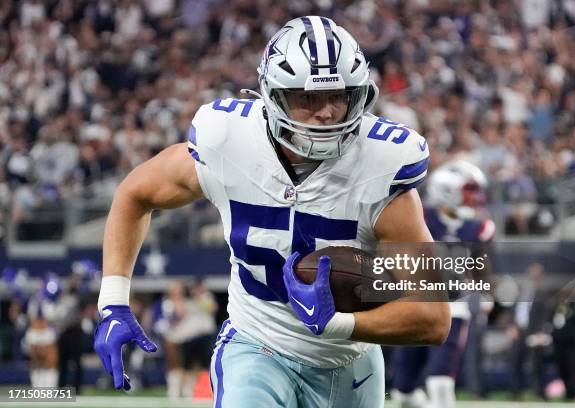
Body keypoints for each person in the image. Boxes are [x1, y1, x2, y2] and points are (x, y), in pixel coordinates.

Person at [94, 16, 450, 408]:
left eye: (340, 96)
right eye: (308, 98)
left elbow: (433, 317)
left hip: (349, 361)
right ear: (273, 96)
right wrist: (113, 300)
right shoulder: (228, 141)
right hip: (257, 343)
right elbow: (134, 193)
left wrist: (338, 324)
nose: (327, 113)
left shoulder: (383, 166)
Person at [391, 160, 495, 408]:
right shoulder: (420, 216)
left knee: (440, 377)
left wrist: (485, 293)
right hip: (414, 305)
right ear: (448, 189)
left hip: (452, 307)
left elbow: (480, 266)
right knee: (402, 392)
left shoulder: (476, 227)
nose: (475, 197)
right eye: (469, 190)